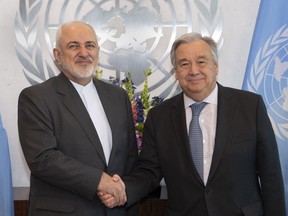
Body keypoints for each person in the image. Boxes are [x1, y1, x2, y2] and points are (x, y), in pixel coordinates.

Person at [100, 32, 286, 215]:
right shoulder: (159, 117)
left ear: (215, 66)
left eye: (201, 61)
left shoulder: (250, 106)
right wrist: (123, 189)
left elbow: (271, 175)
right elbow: (149, 171)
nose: (194, 70)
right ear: (175, 73)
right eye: (184, 64)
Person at [18, 21, 138, 216]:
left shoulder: (118, 96)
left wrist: (122, 189)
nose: (84, 53)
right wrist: (100, 180)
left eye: (90, 45)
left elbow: (130, 158)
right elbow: (43, 158)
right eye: (74, 46)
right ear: (58, 55)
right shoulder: (36, 97)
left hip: (115, 210)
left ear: (98, 51)